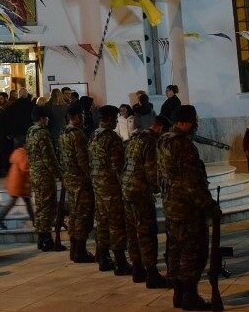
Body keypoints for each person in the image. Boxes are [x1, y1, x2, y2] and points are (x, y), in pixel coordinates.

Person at [158, 104, 220, 310]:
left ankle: (178, 294)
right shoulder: (183, 144)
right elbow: (191, 181)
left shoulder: (163, 140)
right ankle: (190, 296)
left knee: (175, 250)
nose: (196, 125)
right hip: (187, 208)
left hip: (171, 205)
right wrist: (209, 206)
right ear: (184, 122)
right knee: (194, 252)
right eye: (194, 121)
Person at [121, 114, 169, 288]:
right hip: (140, 193)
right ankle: (152, 274)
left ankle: (137, 270)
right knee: (147, 232)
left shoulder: (135, 139)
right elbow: (151, 172)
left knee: (133, 233)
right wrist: (161, 190)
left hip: (127, 191)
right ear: (161, 128)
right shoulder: (150, 142)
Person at [89, 105, 130, 275]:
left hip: (98, 185)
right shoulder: (111, 138)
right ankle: (120, 261)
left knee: (103, 222)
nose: (115, 122)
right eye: (114, 119)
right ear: (110, 119)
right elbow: (118, 166)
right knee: (116, 223)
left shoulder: (93, 136)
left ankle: (104, 257)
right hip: (111, 186)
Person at [59, 102, 95, 263]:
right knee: (83, 215)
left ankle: (75, 250)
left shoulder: (63, 133)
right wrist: (92, 177)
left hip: (69, 179)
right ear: (77, 116)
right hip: (80, 180)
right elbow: (83, 160)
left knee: (74, 214)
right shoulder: (77, 135)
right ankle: (79, 251)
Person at [25, 108, 61, 252]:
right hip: (44, 174)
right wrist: (58, 173)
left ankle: (41, 237)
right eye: (46, 118)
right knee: (47, 206)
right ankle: (47, 240)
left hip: (34, 172)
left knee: (40, 205)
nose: (48, 120)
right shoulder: (42, 133)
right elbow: (49, 157)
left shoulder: (30, 132)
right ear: (41, 119)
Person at [0, 136, 34, 230]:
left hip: (17, 182)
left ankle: (34, 221)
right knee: (19, 202)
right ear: (24, 144)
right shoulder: (22, 153)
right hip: (19, 184)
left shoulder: (17, 152)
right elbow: (25, 167)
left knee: (24, 202)